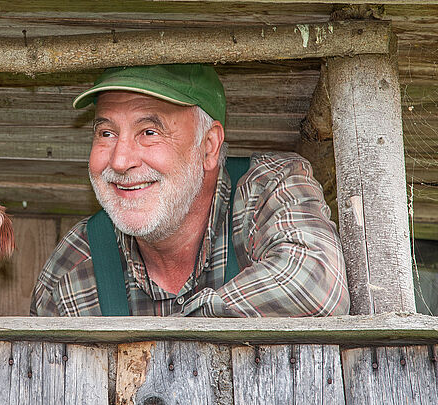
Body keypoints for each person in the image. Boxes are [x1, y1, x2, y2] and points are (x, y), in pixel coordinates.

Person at [30, 64, 350, 317]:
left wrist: (182, 333)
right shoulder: (75, 266)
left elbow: (317, 287)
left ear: (209, 147)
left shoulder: (267, 189)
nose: (120, 160)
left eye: (149, 131)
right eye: (106, 133)